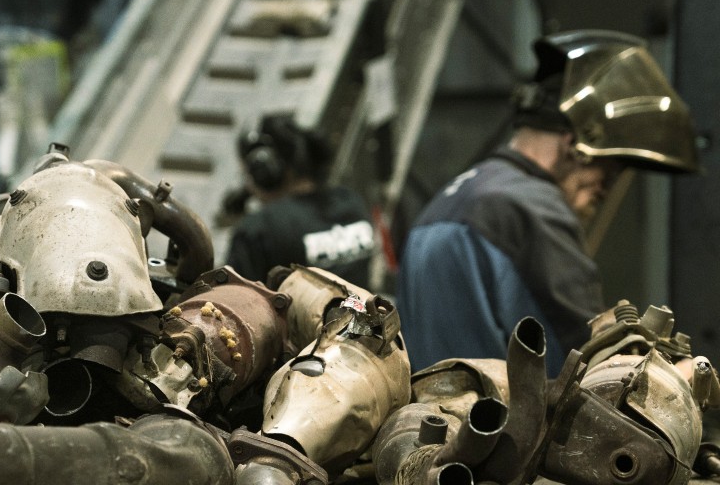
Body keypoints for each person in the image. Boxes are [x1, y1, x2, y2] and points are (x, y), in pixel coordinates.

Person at [396, 29, 700, 376]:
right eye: (609, 171)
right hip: (508, 428)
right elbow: (596, 367)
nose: (605, 191)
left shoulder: (446, 201)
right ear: (576, 144)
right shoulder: (531, 210)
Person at [224, 114, 375, 288]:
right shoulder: (350, 202)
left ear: (265, 170)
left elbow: (235, 304)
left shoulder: (259, 231)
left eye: (248, 174)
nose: (248, 185)